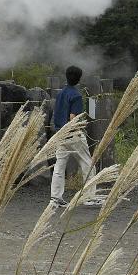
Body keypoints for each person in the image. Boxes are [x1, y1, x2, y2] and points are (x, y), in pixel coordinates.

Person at [50, 65, 102, 208]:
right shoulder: (77, 95)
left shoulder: (61, 93)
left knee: (59, 166)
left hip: (61, 133)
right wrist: (79, 130)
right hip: (73, 134)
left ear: (66, 76)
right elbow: (73, 117)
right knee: (87, 164)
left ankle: (55, 198)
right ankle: (89, 197)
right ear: (79, 79)